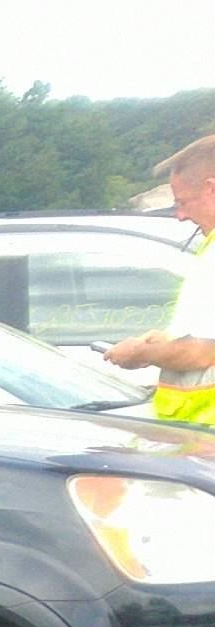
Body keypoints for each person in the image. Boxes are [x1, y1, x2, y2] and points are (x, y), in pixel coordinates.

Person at [104, 134, 215, 425]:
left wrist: (142, 352)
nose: (179, 215)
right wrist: (167, 342)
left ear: (211, 189)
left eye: (183, 202)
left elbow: (201, 352)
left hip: (204, 438)